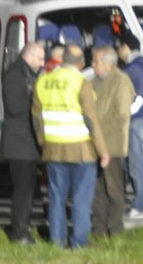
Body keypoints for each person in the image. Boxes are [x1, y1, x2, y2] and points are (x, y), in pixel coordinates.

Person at [32, 43, 109, 248]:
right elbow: (90, 120)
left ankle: (58, 241)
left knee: (56, 198)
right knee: (81, 199)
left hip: (53, 148)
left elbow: (37, 120)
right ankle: (79, 241)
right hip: (81, 150)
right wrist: (102, 151)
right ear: (81, 64)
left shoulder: (43, 81)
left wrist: (43, 143)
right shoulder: (81, 83)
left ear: (62, 60)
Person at [2, 41, 47, 242]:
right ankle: (19, 232)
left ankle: (22, 227)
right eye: (39, 58)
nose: (42, 63)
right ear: (28, 56)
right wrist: (37, 103)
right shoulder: (15, 75)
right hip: (20, 142)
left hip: (26, 142)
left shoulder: (27, 73)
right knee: (23, 189)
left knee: (27, 188)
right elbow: (15, 106)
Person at [89, 45, 136, 234]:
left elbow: (122, 116)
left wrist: (97, 133)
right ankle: (99, 229)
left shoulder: (121, 82)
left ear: (107, 63)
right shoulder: (95, 82)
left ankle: (115, 229)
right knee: (98, 190)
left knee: (114, 189)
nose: (92, 65)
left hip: (112, 145)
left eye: (95, 61)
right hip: (96, 145)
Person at [118, 36, 143, 220]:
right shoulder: (136, 67)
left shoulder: (135, 68)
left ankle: (141, 206)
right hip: (135, 120)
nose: (118, 51)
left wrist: (127, 114)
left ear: (126, 47)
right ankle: (138, 204)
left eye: (120, 47)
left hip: (135, 121)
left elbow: (142, 96)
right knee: (131, 163)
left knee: (136, 164)